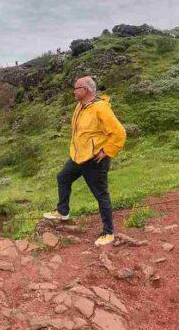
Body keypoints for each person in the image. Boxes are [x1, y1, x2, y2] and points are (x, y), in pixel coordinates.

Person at [43, 76, 127, 246]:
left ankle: (108, 232)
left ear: (86, 90)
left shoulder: (101, 109)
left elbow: (119, 133)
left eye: (76, 88)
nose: (73, 91)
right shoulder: (80, 106)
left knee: (101, 195)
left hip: (94, 159)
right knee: (63, 177)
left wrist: (107, 151)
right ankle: (63, 211)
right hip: (78, 156)